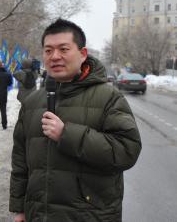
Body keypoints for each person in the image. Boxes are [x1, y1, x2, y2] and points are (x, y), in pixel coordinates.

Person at [9, 19, 142, 222]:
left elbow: (127, 151)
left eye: (63, 49)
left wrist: (66, 134)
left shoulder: (108, 97)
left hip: (89, 215)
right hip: (39, 215)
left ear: (82, 54)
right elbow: (20, 162)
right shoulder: (32, 102)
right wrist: (19, 208)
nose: (55, 57)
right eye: (48, 50)